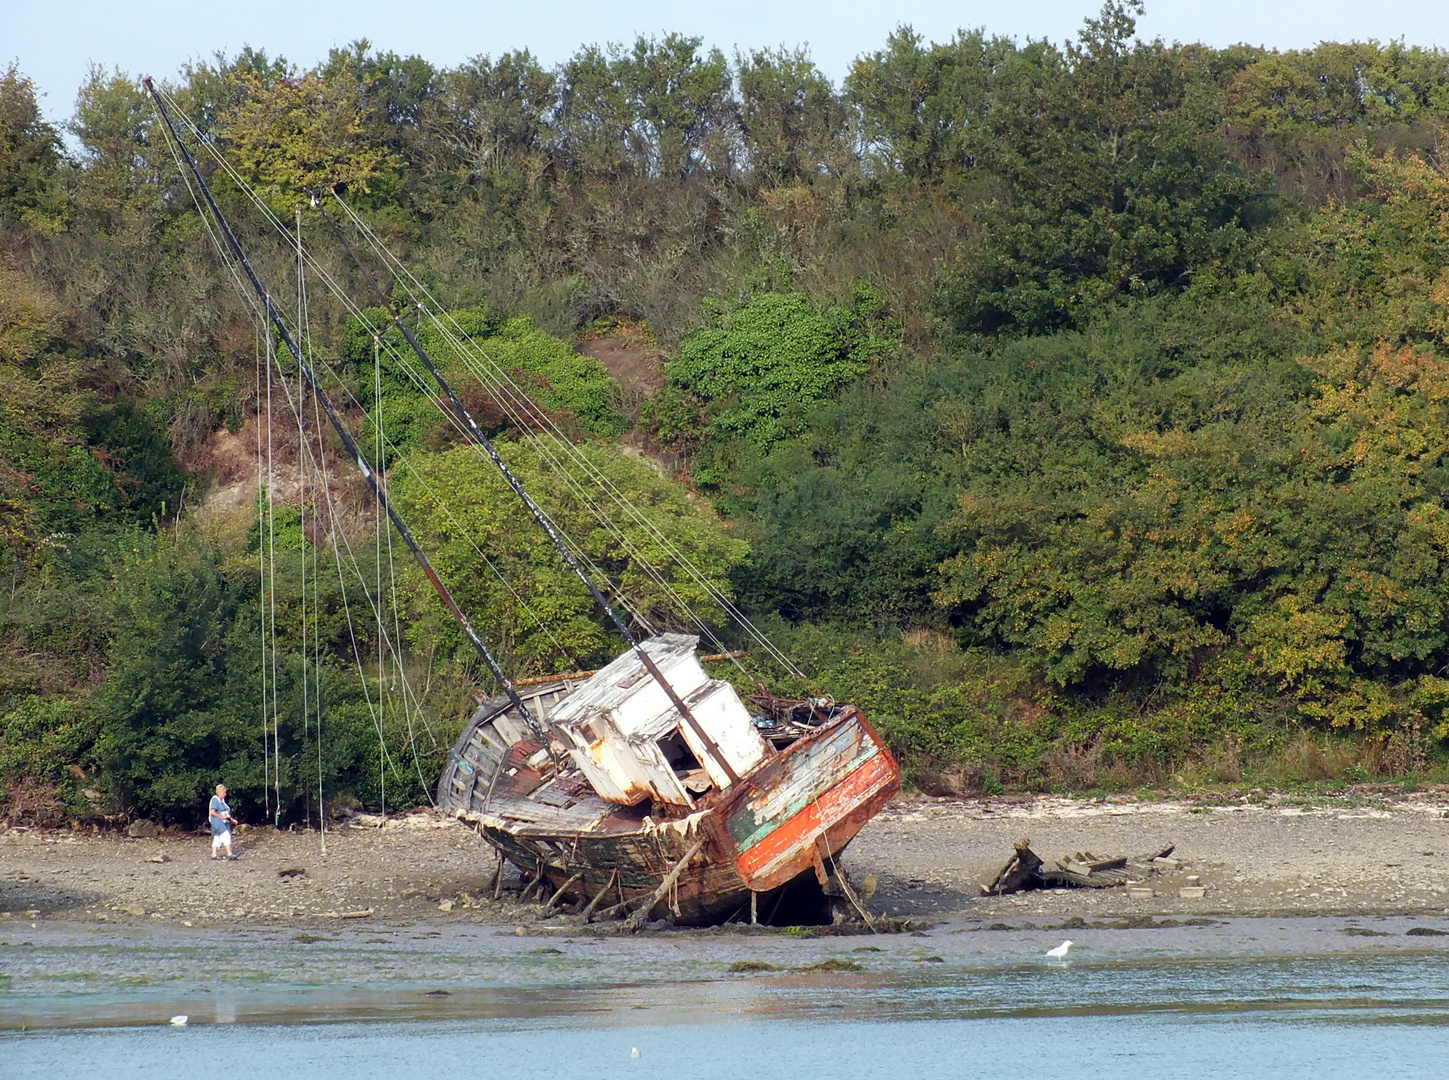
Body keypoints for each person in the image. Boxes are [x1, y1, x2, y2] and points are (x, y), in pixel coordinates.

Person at [208, 784, 237, 860]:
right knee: (226, 835)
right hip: (217, 821)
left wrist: (232, 819)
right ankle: (229, 853)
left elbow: (225, 813)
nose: (225, 794)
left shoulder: (222, 801)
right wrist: (221, 817)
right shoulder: (215, 800)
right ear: (219, 792)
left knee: (217, 837)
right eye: (224, 792)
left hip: (223, 822)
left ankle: (214, 854)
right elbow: (212, 812)